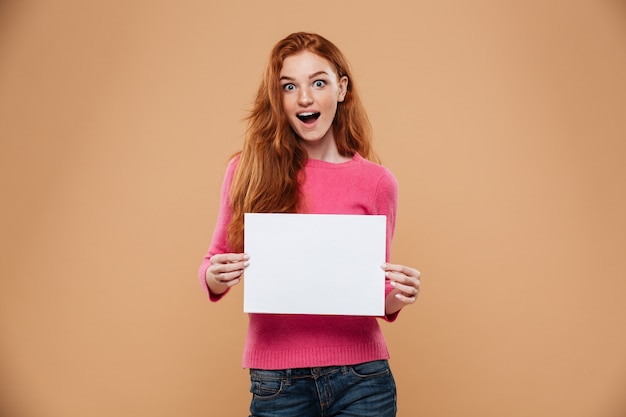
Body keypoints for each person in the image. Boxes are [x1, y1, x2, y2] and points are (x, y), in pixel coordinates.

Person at [198, 32, 421, 417]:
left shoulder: (378, 182)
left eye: (319, 82)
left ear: (341, 89)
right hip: (276, 382)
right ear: (278, 97)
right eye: (289, 86)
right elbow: (213, 263)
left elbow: (375, 291)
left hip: (363, 380)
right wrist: (216, 275)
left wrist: (398, 295)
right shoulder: (246, 171)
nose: (304, 97)